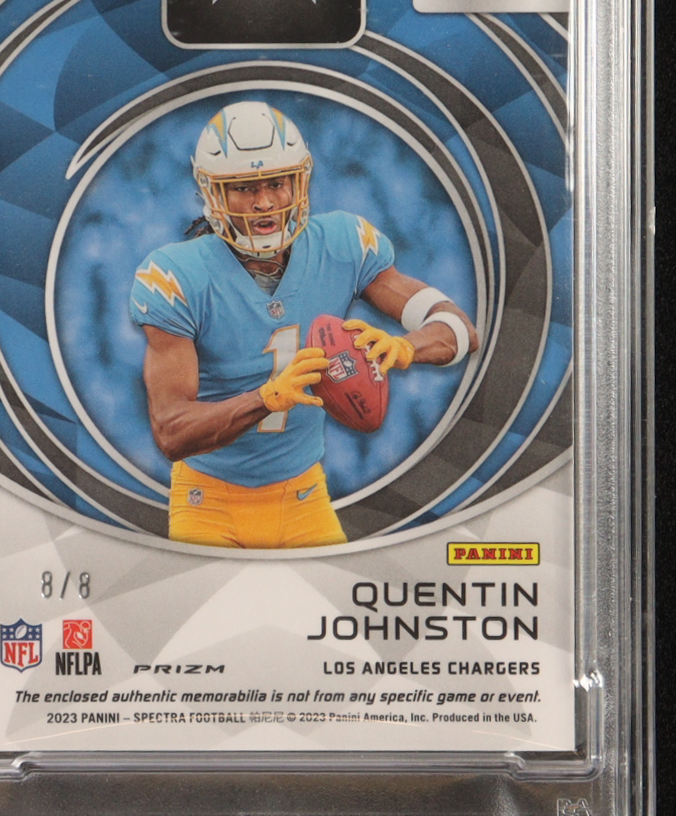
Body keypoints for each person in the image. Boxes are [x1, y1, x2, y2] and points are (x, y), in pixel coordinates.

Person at [131, 101, 478, 549]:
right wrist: (266, 398)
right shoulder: (177, 276)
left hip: (304, 497)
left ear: (300, 180)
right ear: (212, 192)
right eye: (243, 188)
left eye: (277, 183)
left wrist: (406, 347)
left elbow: (458, 328)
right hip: (209, 502)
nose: (264, 202)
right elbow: (171, 430)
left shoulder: (343, 244)